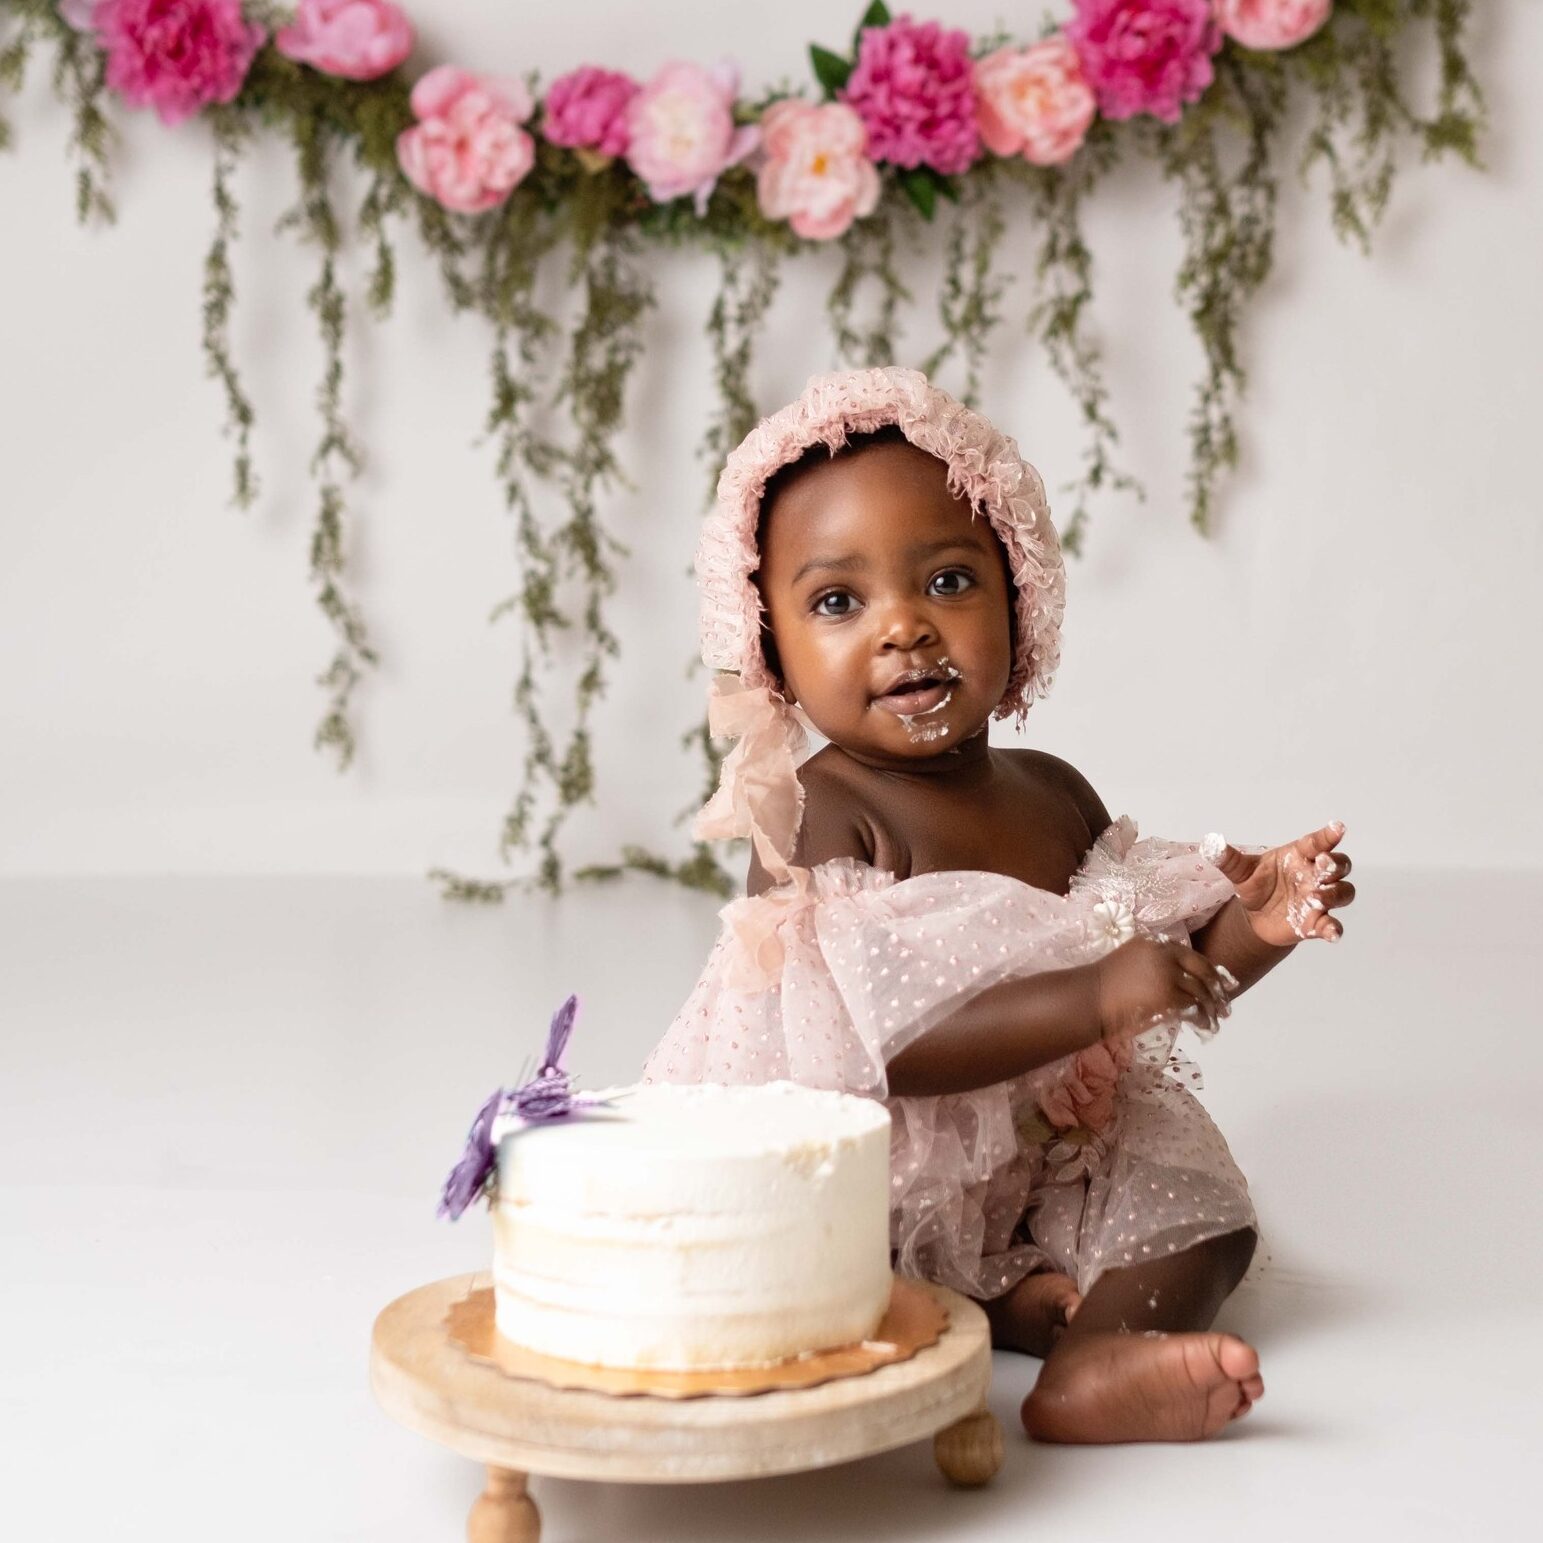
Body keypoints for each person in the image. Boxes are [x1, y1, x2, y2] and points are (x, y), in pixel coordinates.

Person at [641, 367, 1354, 1443]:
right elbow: (889, 1048)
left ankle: (1097, 1357)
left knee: (1205, 1222)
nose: (905, 629)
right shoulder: (823, 817)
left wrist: (1258, 923)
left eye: (949, 582)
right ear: (770, 648)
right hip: (880, 1175)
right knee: (813, 1269)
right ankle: (984, 1300)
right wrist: (1098, 995)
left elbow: (1160, 966)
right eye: (839, 601)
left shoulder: (1054, 792)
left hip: (1043, 1141)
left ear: (1020, 598)